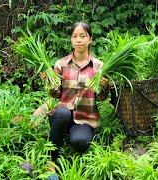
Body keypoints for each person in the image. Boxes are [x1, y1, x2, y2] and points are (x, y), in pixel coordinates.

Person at [40, 21, 109, 165]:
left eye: (83, 36)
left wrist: (105, 86)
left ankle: (64, 133)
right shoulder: (61, 64)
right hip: (63, 114)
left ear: (90, 39)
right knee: (62, 113)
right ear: (71, 39)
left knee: (80, 143)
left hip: (85, 118)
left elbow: (101, 98)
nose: (78, 40)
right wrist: (49, 83)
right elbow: (56, 94)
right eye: (75, 36)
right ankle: (50, 161)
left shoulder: (99, 66)